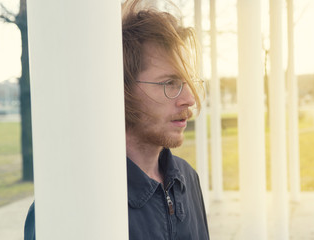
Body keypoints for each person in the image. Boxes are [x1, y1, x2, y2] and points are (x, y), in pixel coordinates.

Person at [24, 0, 209, 239]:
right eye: (169, 83)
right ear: (122, 89)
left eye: (188, 82)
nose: (189, 99)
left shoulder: (187, 178)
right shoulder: (68, 204)